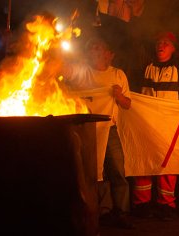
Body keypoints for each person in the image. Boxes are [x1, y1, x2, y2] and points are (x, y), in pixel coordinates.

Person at [132, 10, 179, 221]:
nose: (160, 45)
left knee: (167, 164)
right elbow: (135, 42)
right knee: (143, 163)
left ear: (173, 49)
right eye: (158, 42)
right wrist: (136, 17)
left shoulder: (178, 67)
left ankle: (166, 204)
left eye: (166, 43)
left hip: (168, 124)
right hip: (145, 122)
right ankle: (142, 203)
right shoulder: (145, 64)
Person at [63, 36, 134, 229]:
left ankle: (122, 212)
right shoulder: (82, 71)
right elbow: (64, 70)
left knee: (118, 172)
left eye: (97, 47)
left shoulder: (118, 74)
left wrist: (119, 97)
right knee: (92, 173)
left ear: (108, 54)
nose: (93, 50)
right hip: (87, 131)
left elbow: (128, 105)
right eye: (90, 47)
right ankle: (99, 212)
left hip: (110, 130)